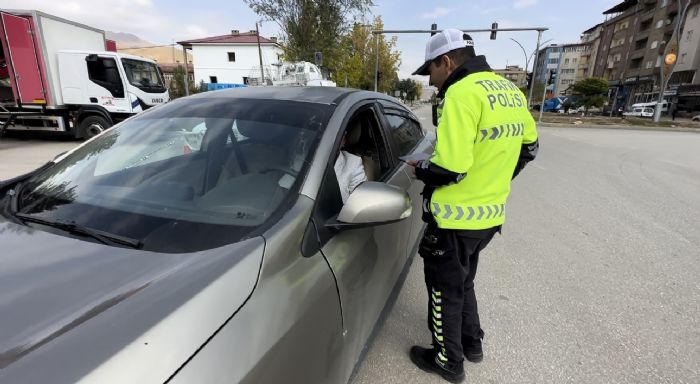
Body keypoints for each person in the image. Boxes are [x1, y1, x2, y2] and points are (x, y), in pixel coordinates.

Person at [406, 29, 539, 383]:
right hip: (488, 216)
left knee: (443, 290)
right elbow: (529, 148)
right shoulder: (509, 90)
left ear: (446, 61)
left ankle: (448, 361)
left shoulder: (460, 94)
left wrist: (420, 168)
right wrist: (491, 181)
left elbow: (449, 169)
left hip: (453, 220)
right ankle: (472, 344)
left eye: (430, 72)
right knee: (463, 283)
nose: (431, 81)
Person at [334, 129, 367, 203]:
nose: (332, 139)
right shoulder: (305, 158)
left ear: (343, 141)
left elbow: (361, 199)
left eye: (337, 135)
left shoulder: (354, 163)